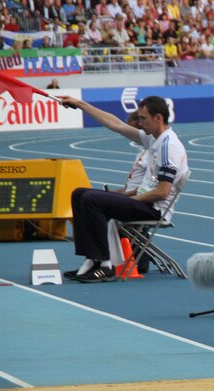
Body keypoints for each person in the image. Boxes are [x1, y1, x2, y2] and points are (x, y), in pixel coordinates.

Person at [56, 95, 188, 283]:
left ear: (158, 118)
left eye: (144, 119)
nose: (140, 123)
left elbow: (163, 192)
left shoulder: (169, 146)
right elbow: (115, 124)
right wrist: (80, 104)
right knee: (79, 194)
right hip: (144, 200)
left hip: (154, 210)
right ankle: (92, 259)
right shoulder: (154, 140)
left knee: (92, 200)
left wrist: (130, 200)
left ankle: (105, 265)